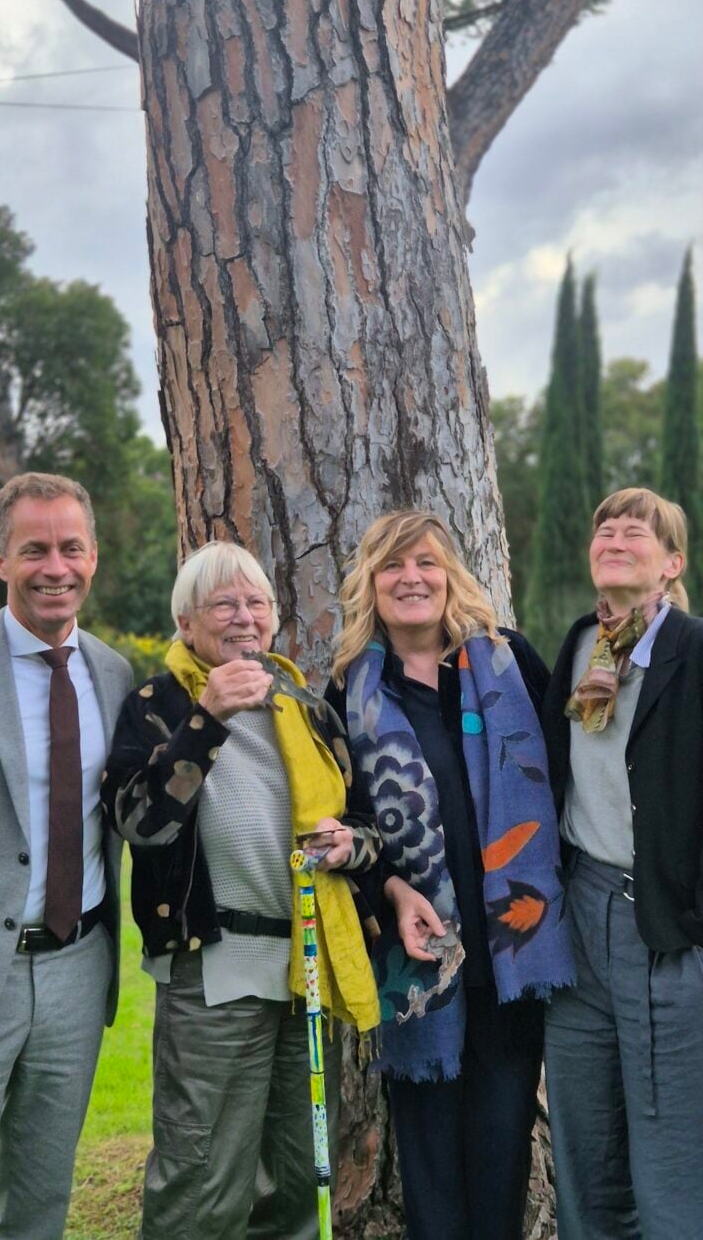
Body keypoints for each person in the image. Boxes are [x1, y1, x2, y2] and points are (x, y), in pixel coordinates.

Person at [101, 540, 380, 1240]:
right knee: (202, 1181)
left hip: (305, 973)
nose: (245, 617)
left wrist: (350, 844)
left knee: (293, 1180)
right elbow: (141, 823)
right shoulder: (157, 705)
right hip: (213, 972)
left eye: (257, 602)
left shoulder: (307, 707)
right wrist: (208, 719)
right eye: (223, 603)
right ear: (186, 623)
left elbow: (368, 827)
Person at [327, 509, 574, 1240]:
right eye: (393, 566)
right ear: (371, 583)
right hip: (419, 961)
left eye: (427, 563)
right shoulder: (352, 693)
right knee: (429, 1165)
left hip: (512, 952)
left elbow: (562, 780)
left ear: (450, 575)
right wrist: (391, 889)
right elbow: (346, 826)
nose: (412, 579)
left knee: (501, 1159)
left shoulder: (510, 663)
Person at [0, 472, 133, 1240]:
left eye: (71, 548)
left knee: (40, 1201)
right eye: (35, 549)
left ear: (93, 557)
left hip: (76, 968)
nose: (56, 566)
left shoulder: (113, 675)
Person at [543, 487, 703, 1238]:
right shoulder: (583, 647)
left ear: (671, 564)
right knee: (584, 1142)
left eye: (636, 531)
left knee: (672, 1152)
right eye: (604, 526)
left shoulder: (695, 653)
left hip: (669, 928)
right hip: (581, 921)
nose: (614, 535)